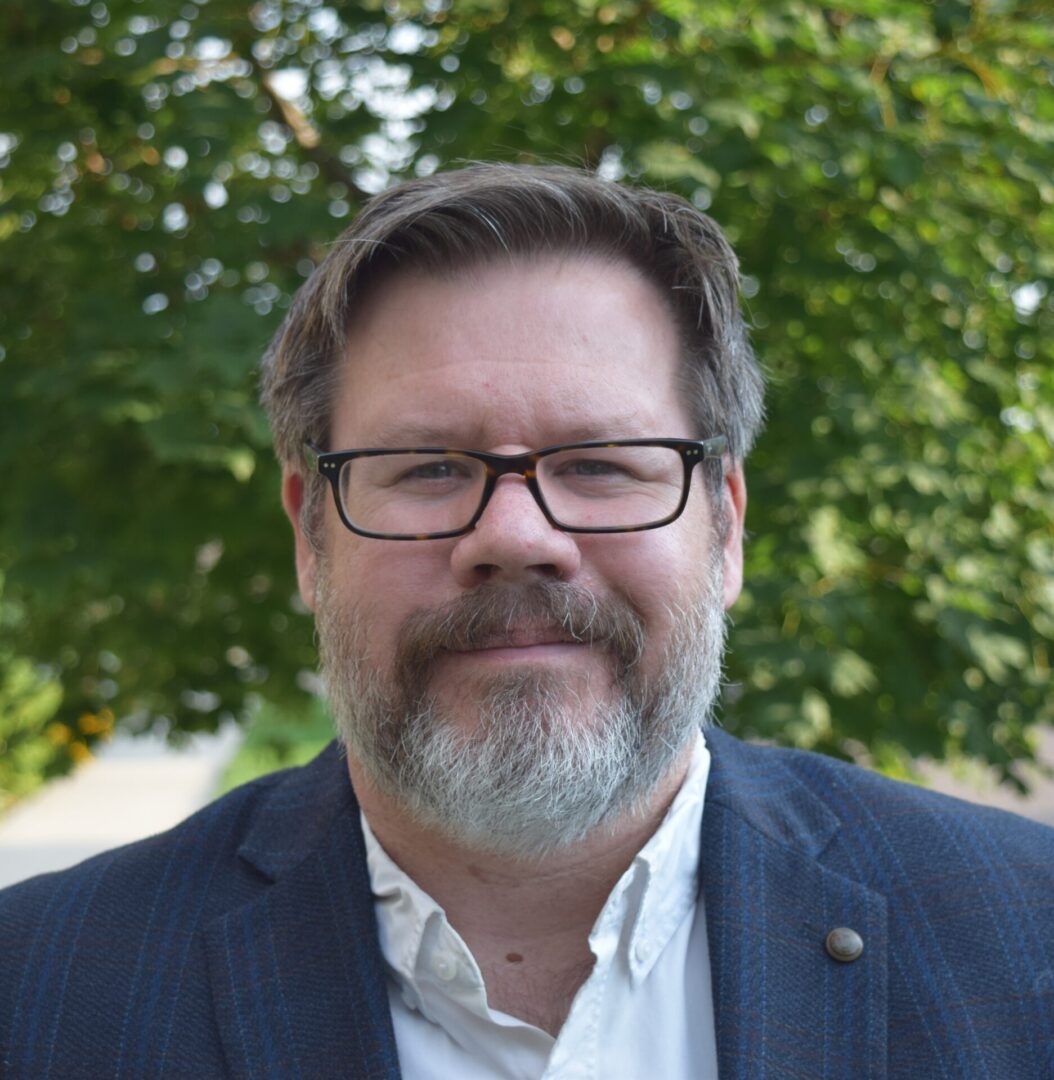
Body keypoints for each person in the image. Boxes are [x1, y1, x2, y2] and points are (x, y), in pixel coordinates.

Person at [1, 163, 1052, 1080]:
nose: (513, 535)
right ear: (307, 537)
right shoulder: (41, 992)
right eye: (426, 468)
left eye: (598, 464)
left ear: (724, 528)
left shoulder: (1024, 941)